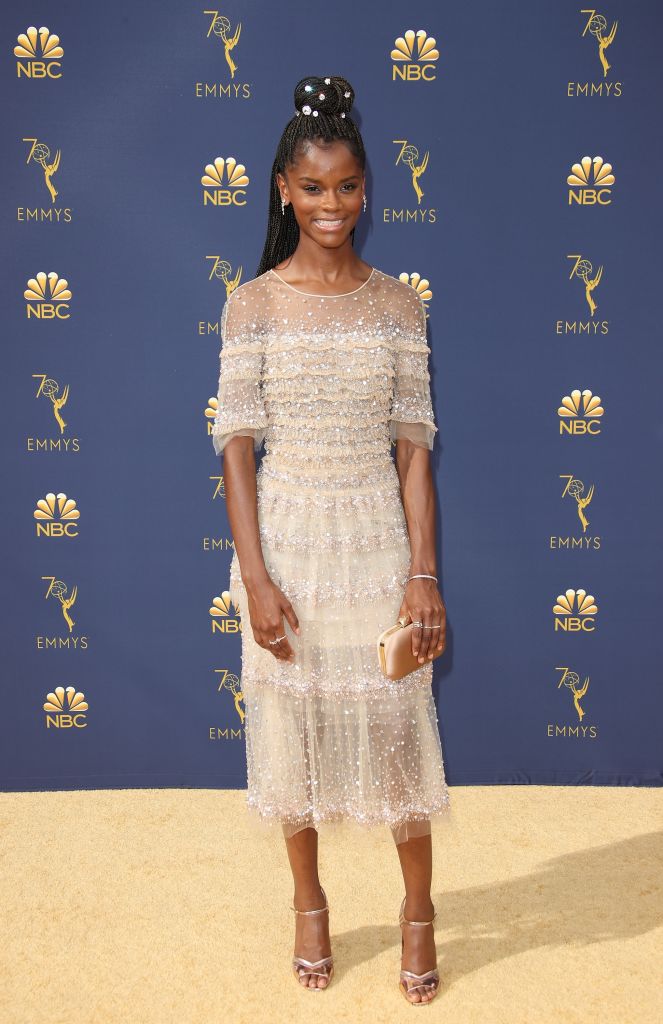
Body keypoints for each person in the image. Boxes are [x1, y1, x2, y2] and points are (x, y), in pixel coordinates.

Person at [211, 75, 450, 1005]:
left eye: (347, 187)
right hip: (289, 543)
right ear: (282, 190)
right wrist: (254, 577)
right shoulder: (251, 305)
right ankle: (308, 901)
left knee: (396, 731)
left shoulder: (398, 306)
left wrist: (421, 575)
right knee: (292, 728)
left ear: (366, 189)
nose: (331, 206)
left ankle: (418, 912)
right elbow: (236, 451)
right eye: (313, 188)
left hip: (378, 545)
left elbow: (415, 455)